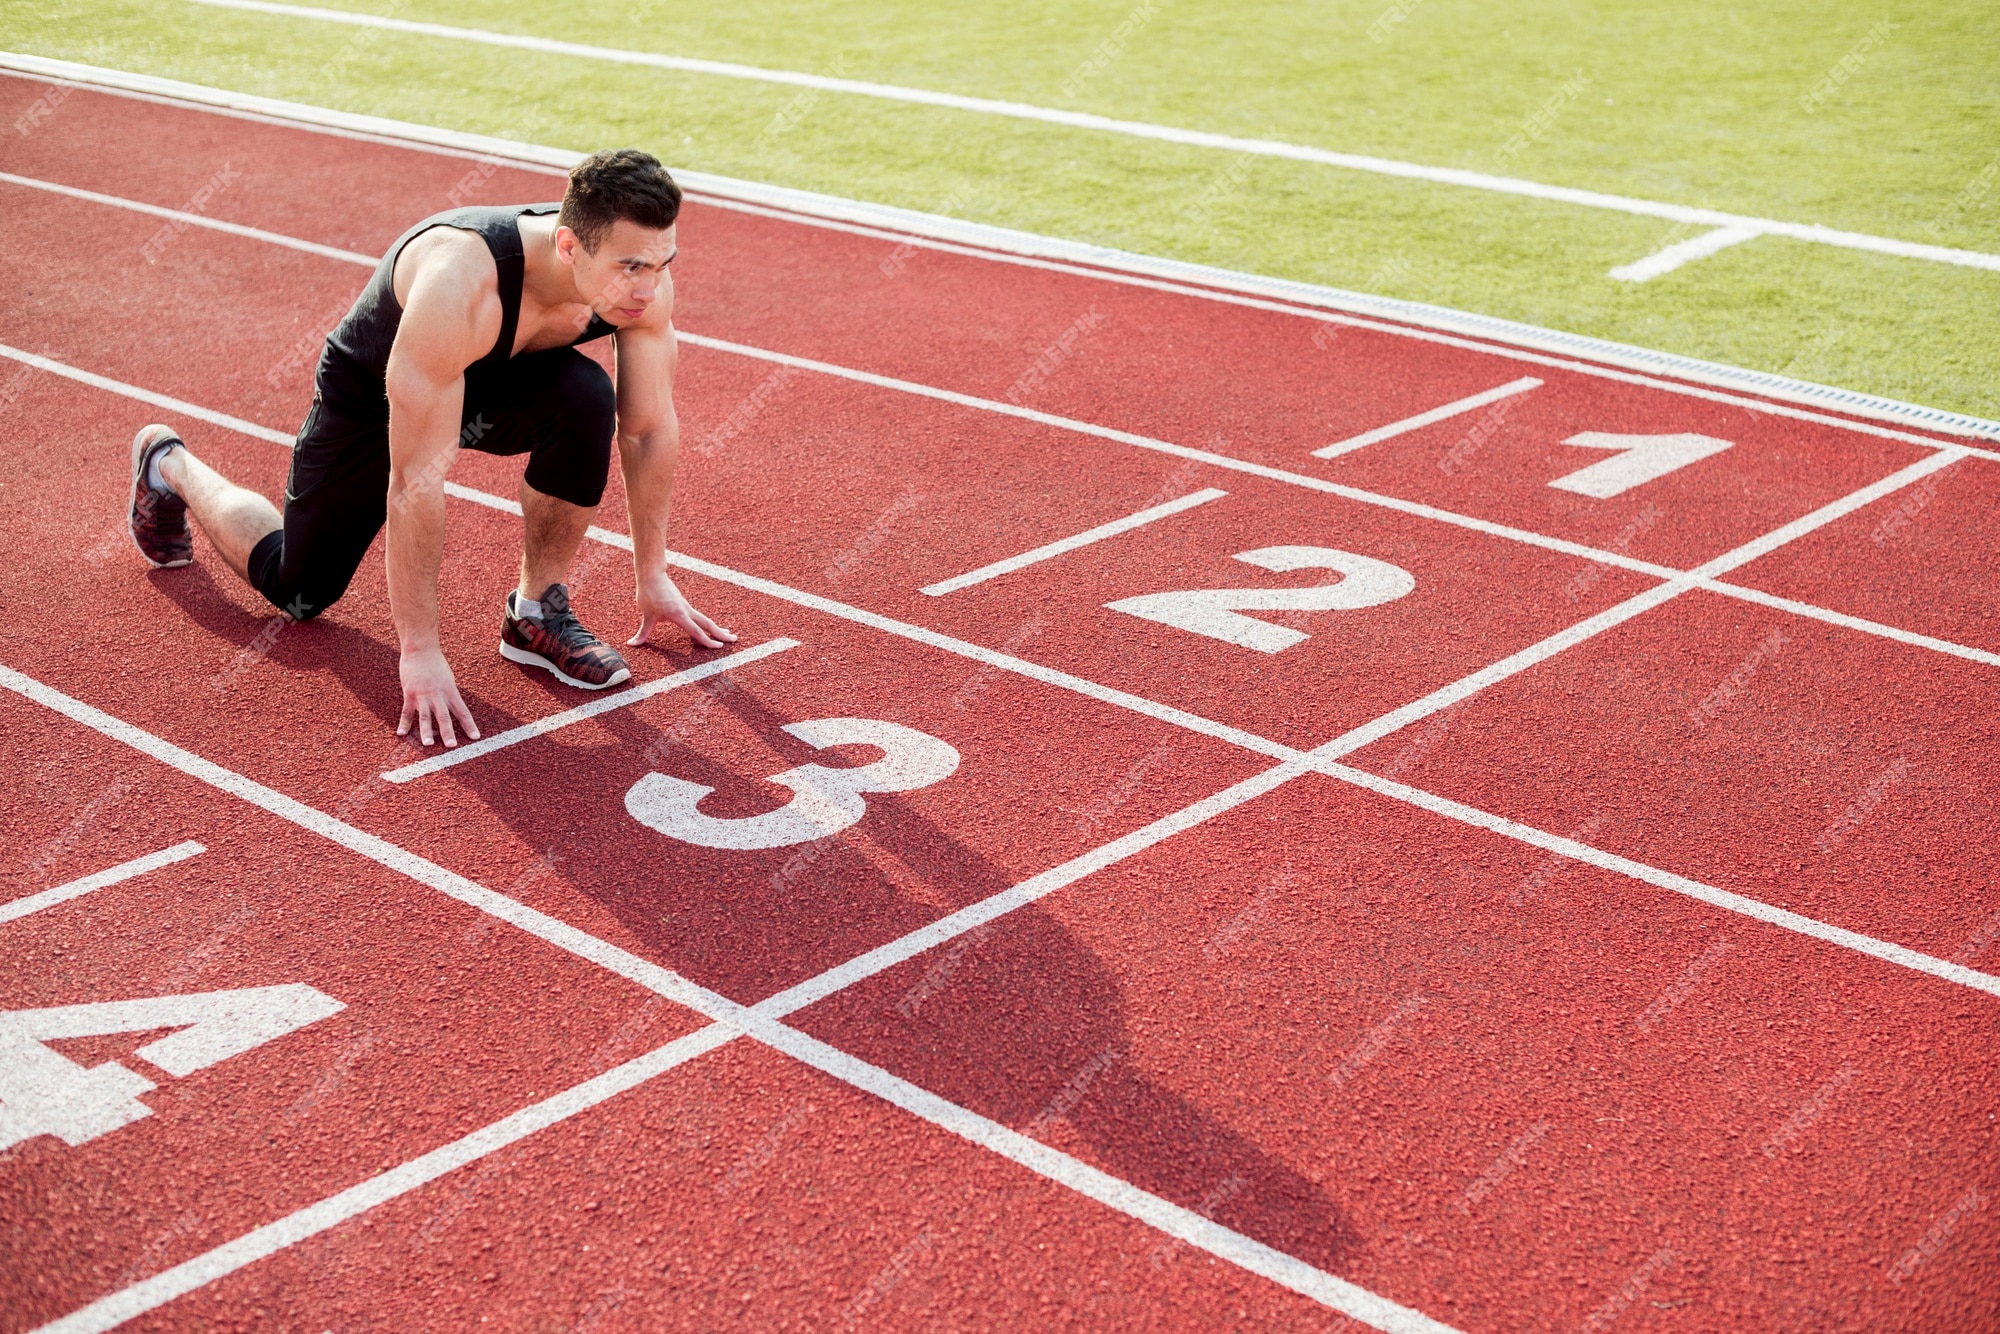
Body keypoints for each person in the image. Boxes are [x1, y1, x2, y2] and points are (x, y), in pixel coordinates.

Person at [127, 148, 734, 748]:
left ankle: (536, 611)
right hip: (376, 391)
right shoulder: (460, 279)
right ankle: (169, 464)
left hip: (502, 376)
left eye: (661, 265)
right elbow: (415, 481)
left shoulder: (641, 275)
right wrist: (419, 650)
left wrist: (652, 571)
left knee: (586, 397)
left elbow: (648, 428)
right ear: (570, 246)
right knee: (300, 590)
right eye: (632, 268)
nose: (649, 289)